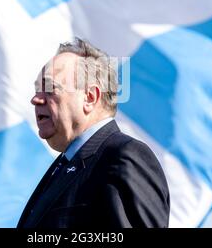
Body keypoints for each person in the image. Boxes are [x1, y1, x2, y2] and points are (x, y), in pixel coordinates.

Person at [17, 38, 170, 228]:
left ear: (89, 98)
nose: (36, 99)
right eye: (37, 90)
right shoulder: (63, 166)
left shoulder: (123, 157)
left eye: (49, 88)